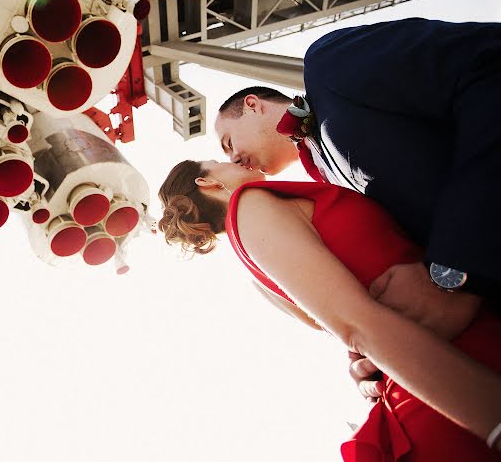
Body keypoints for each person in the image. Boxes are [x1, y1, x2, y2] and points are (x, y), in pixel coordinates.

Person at [158, 159, 501, 460]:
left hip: (439, 360)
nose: (232, 159)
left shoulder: (256, 266)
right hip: (458, 383)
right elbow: (355, 328)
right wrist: (492, 419)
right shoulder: (250, 206)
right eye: (218, 159)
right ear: (207, 182)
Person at [214, 18, 501, 304]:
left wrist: (454, 266)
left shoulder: (328, 63)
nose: (235, 159)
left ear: (252, 105)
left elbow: (484, 60)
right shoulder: (326, 182)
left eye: (228, 143)